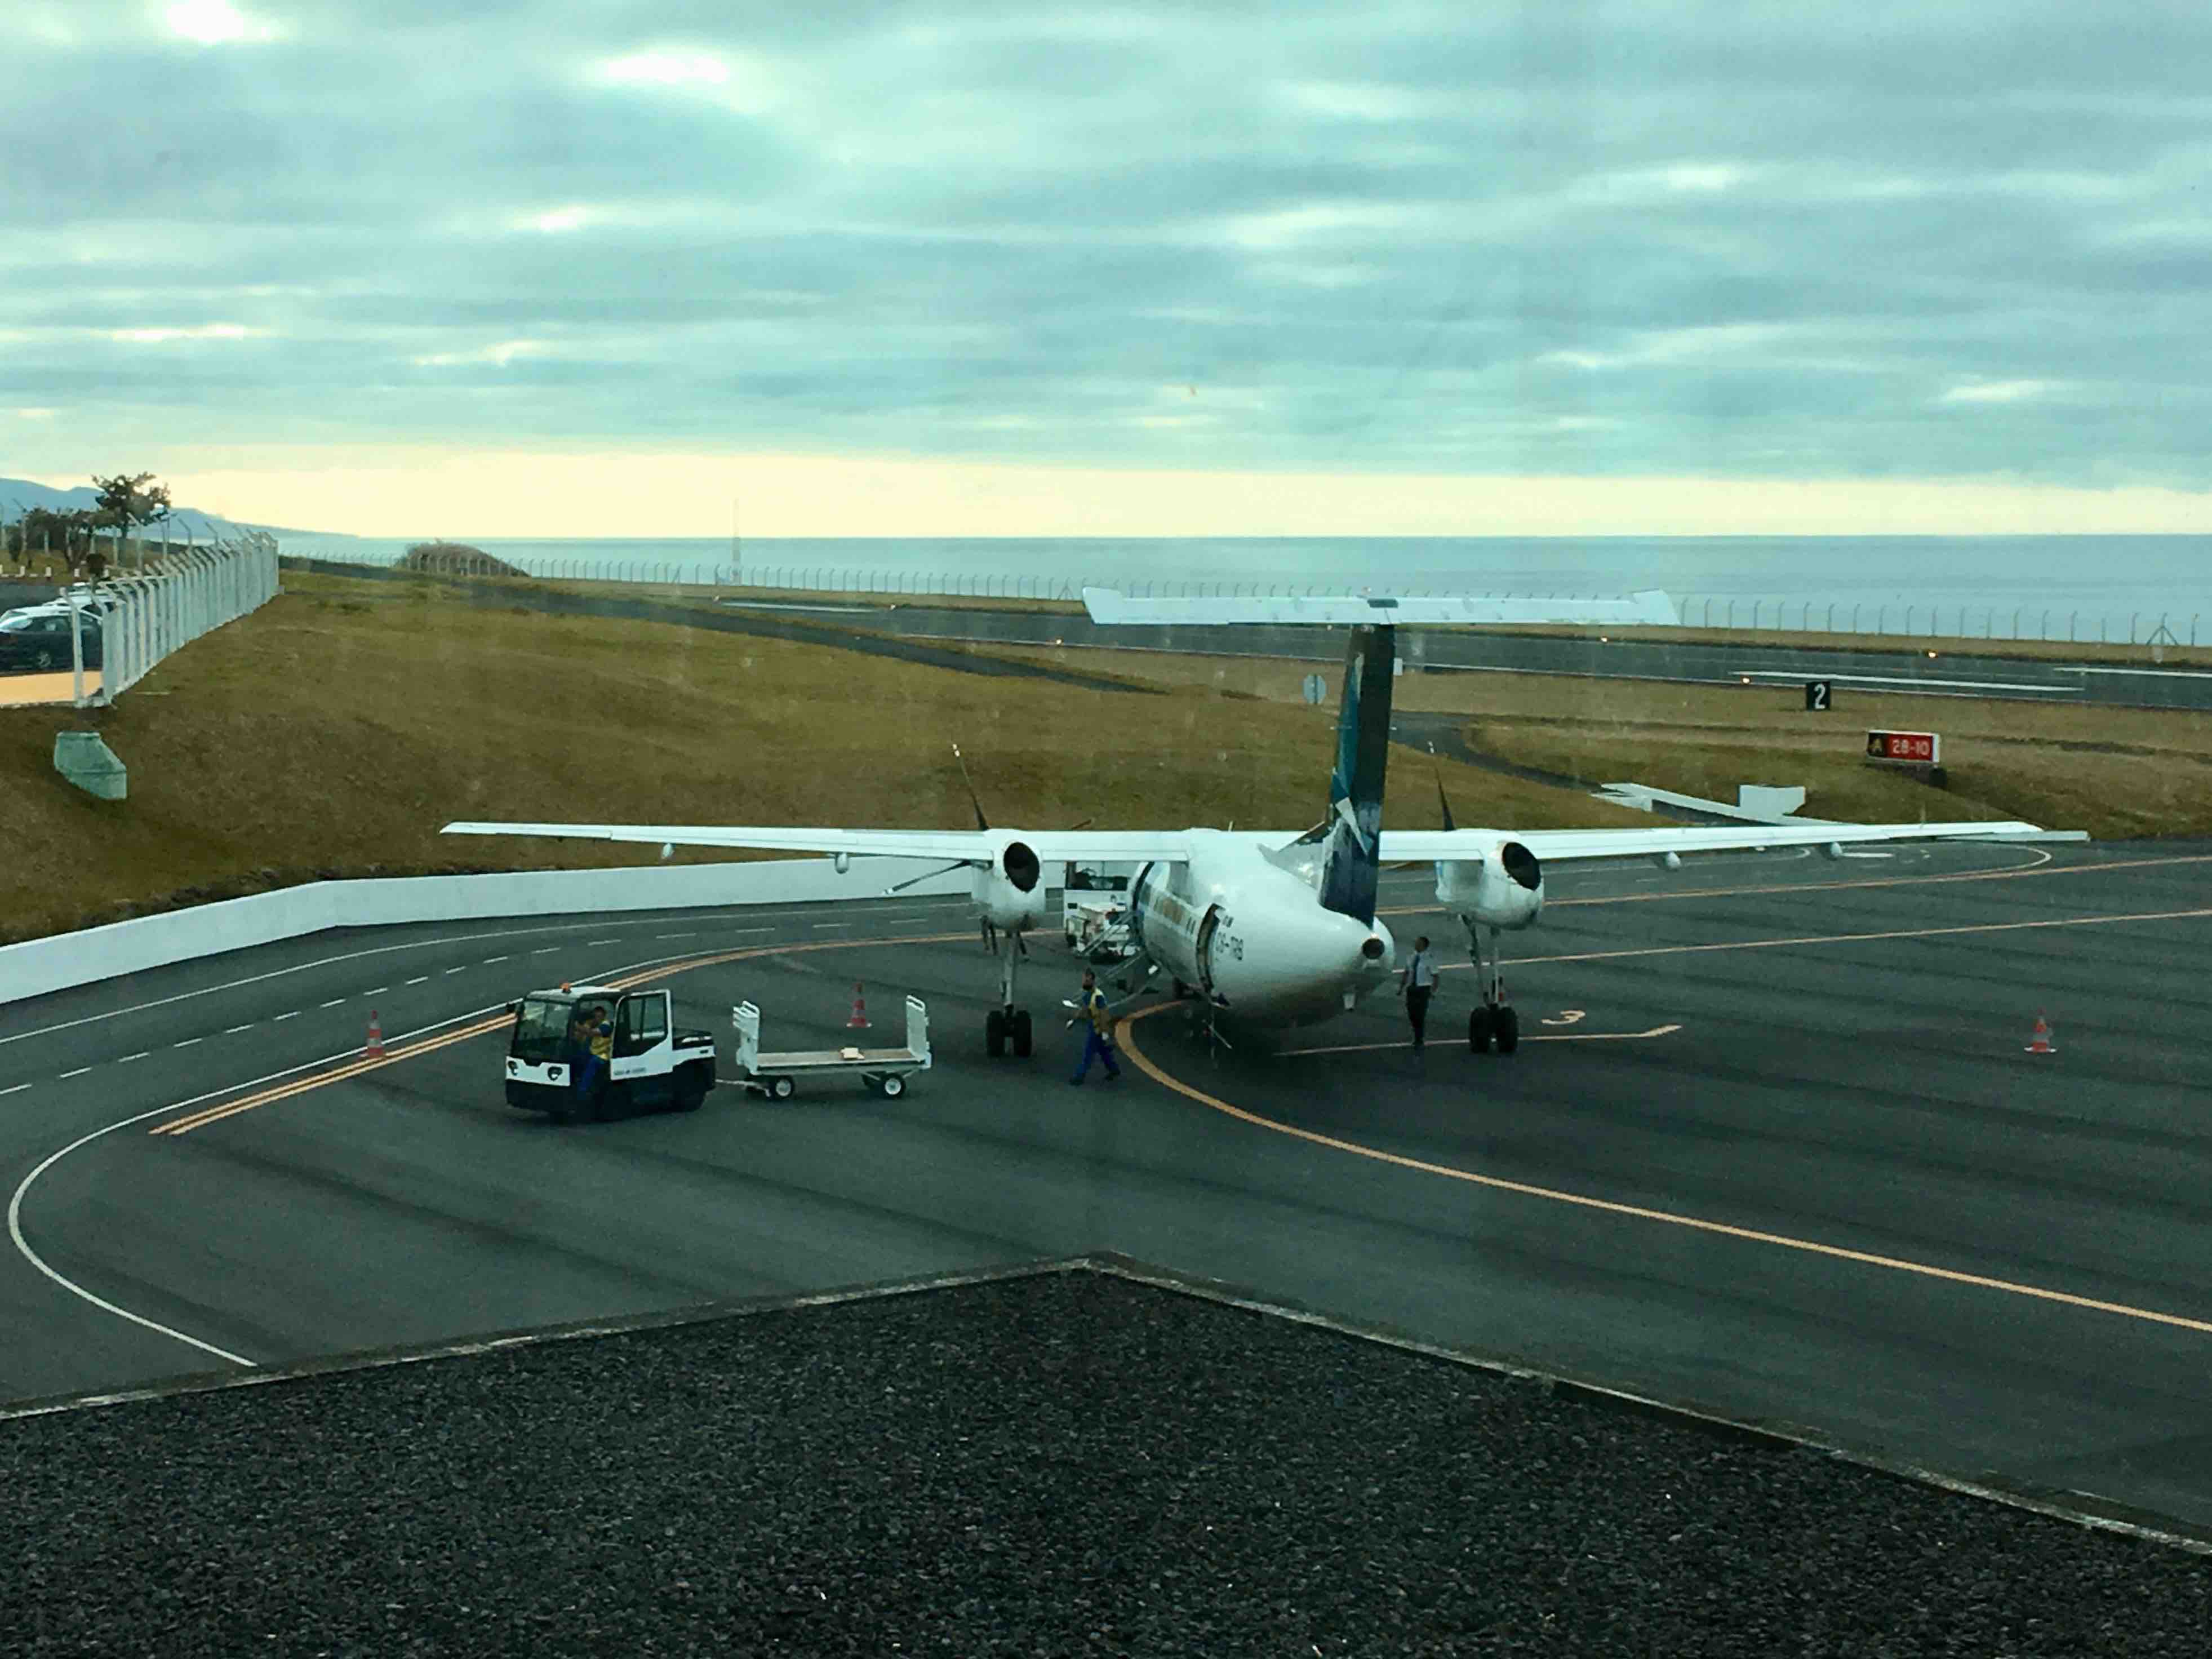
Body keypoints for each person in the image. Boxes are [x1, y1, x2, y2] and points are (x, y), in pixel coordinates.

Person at [1068, 968, 1122, 1086]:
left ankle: (1079, 1077)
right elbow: (1084, 1009)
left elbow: (1104, 1014)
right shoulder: (1089, 995)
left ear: (1092, 981)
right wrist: (1074, 1020)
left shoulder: (1098, 996)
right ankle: (1114, 1069)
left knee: (1088, 1053)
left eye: (1087, 979)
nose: (1084, 981)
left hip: (1097, 1028)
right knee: (1103, 1051)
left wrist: (1105, 1032)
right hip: (1093, 1025)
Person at [1399, 935, 1437, 1051]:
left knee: (1420, 1014)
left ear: (1424, 946)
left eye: (1419, 943)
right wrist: (1401, 987)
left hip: (1423, 989)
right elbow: (1406, 973)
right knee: (1412, 1013)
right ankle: (1417, 1033)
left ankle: (1419, 1038)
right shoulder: (1411, 957)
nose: (1416, 945)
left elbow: (1435, 976)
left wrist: (1433, 991)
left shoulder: (1429, 959)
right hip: (1412, 988)